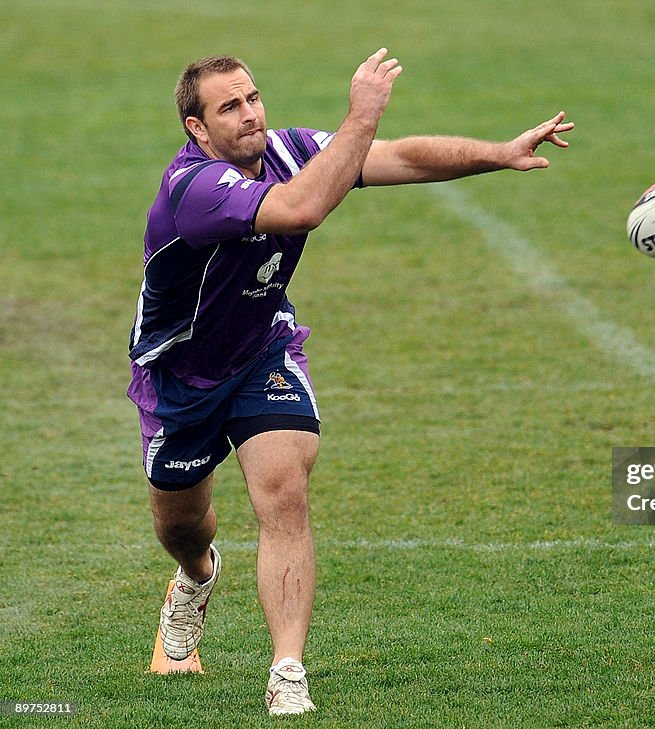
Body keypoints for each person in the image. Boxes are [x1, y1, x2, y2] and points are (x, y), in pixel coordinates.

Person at [126, 48, 573, 716]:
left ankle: (287, 671)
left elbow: (399, 157)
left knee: (284, 489)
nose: (250, 114)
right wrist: (360, 115)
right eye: (229, 107)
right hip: (178, 377)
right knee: (182, 527)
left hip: (260, 351)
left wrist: (497, 152)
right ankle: (195, 579)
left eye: (252, 97)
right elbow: (302, 207)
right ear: (197, 128)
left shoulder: (288, 147)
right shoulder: (192, 190)